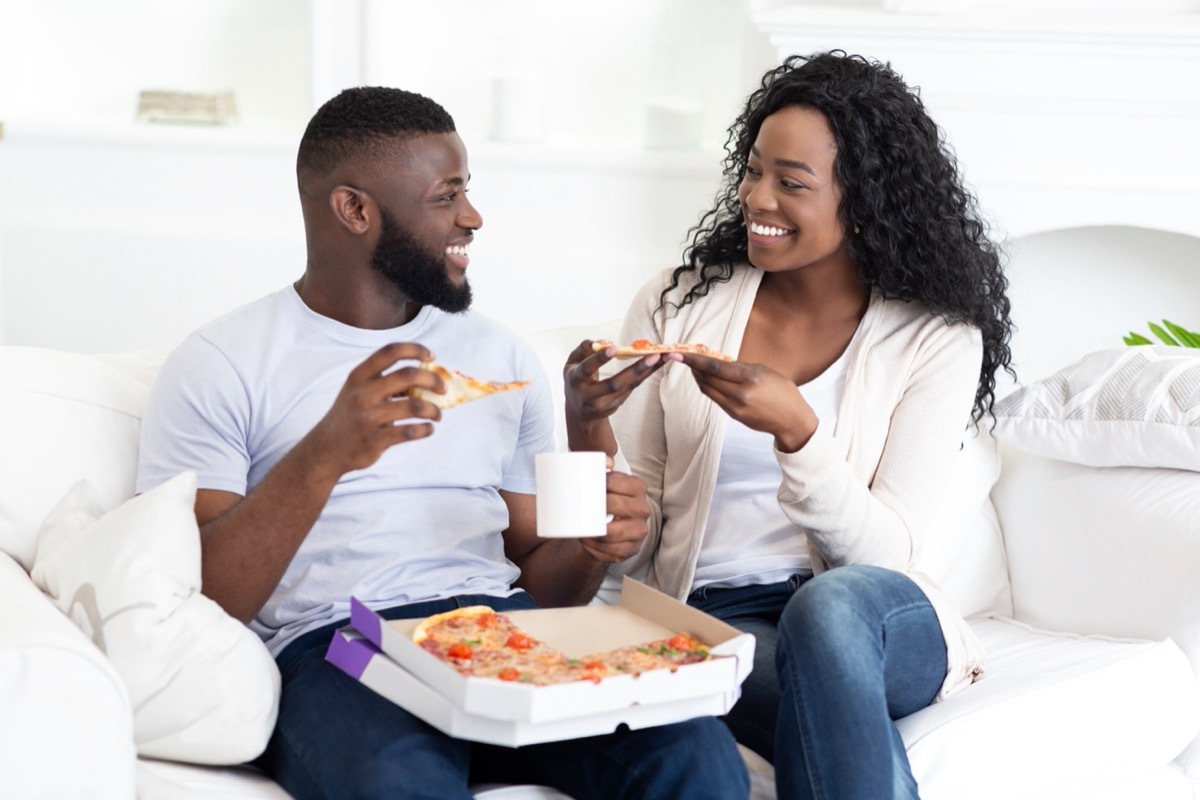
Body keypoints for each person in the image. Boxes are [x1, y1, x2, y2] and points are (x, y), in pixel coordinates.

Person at [135, 86, 749, 800]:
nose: (472, 217)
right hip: (342, 648)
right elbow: (206, 597)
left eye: (468, 191)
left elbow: (543, 587)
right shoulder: (222, 360)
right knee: (399, 783)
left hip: (498, 628)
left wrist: (588, 544)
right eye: (445, 196)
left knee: (695, 752)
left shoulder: (501, 357)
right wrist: (326, 453)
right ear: (355, 210)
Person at [563, 50, 1015, 800]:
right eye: (752, 170)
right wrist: (587, 425)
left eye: (791, 183)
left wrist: (800, 434)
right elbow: (632, 534)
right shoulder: (678, 304)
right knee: (773, 697)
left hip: (876, 620)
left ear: (864, 202)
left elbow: (887, 552)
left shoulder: (935, 338)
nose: (756, 197)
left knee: (824, 606)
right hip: (717, 623)